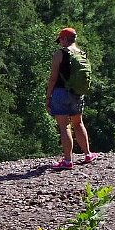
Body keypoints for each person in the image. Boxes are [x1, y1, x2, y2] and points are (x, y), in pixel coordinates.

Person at [45, 27, 97, 170]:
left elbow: (53, 78)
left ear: (65, 39)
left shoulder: (60, 54)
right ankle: (87, 154)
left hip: (61, 93)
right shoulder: (81, 53)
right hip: (77, 93)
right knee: (78, 123)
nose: (60, 42)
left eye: (60, 39)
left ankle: (68, 161)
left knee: (64, 126)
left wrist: (48, 96)